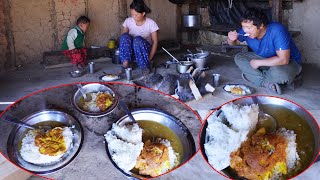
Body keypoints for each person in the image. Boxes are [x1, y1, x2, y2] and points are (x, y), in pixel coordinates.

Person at [227, 9, 302, 94]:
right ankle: (267, 82)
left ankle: (254, 77)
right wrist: (230, 39)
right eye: (243, 27)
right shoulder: (246, 31)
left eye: (248, 27)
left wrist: (259, 63)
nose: (245, 30)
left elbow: (284, 60)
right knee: (239, 57)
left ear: (261, 26)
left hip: (289, 62)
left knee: (279, 73)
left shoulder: (277, 30)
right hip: (265, 58)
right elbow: (233, 43)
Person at [118, 0, 159, 76]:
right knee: (124, 36)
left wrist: (149, 59)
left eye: (136, 15)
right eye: (132, 14)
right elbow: (124, 40)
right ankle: (126, 64)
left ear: (143, 13)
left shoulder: (151, 23)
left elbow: (155, 42)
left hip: (145, 52)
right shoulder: (128, 21)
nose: (134, 17)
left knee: (137, 40)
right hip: (131, 52)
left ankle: (144, 67)